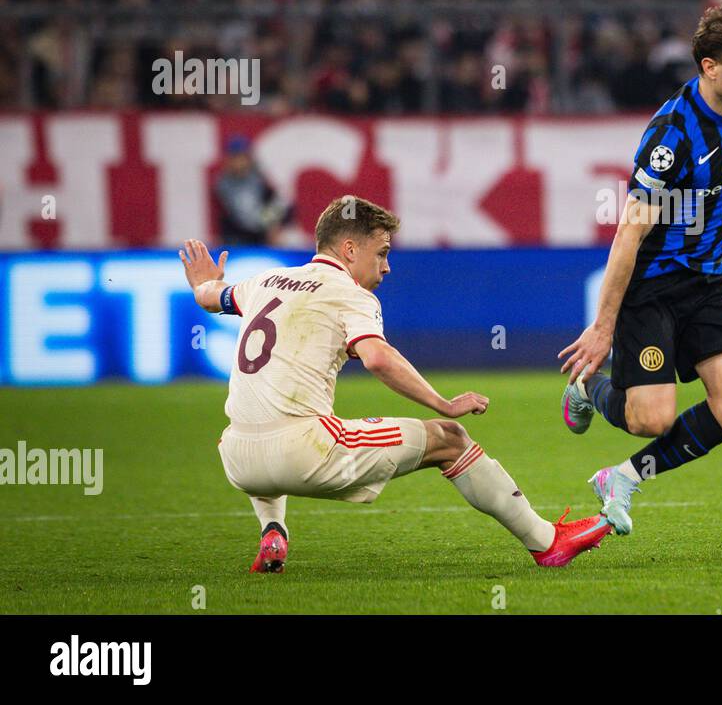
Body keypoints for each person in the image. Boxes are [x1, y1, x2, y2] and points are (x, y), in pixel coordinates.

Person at [179, 195, 611, 571]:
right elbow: (378, 358)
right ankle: (546, 543)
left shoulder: (265, 280)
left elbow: (211, 297)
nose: (386, 267)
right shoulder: (350, 294)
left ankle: (272, 530)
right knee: (451, 438)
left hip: (237, 459)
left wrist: (204, 282)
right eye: (381, 253)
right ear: (349, 248)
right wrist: (442, 403)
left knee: (263, 415)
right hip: (304, 453)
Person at [558, 1, 722, 536]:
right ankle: (590, 389)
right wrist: (603, 327)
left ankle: (623, 479)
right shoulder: (670, 138)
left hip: (710, 279)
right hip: (652, 287)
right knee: (648, 419)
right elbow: (629, 233)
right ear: (709, 67)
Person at [213, 136, 294, 246]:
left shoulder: (260, 178)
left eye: (242, 157)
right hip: (239, 235)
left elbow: (281, 203)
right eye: (235, 158)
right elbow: (242, 216)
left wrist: (273, 224)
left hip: (262, 233)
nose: (239, 162)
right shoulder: (223, 184)